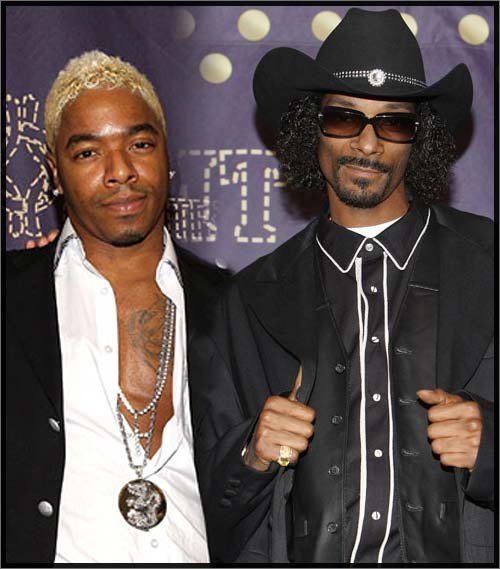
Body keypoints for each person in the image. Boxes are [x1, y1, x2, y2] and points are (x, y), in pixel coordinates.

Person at [189, 8, 494, 564]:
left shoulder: (490, 265)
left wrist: (492, 447)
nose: (369, 144)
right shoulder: (250, 300)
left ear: (418, 140)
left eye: (393, 123)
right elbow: (204, 509)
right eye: (344, 118)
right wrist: (252, 454)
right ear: (311, 127)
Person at [5, 50, 228, 564]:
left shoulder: (234, 302)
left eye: (139, 144)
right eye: (88, 153)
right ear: (55, 172)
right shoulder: (13, 299)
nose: (120, 171)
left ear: (167, 154)